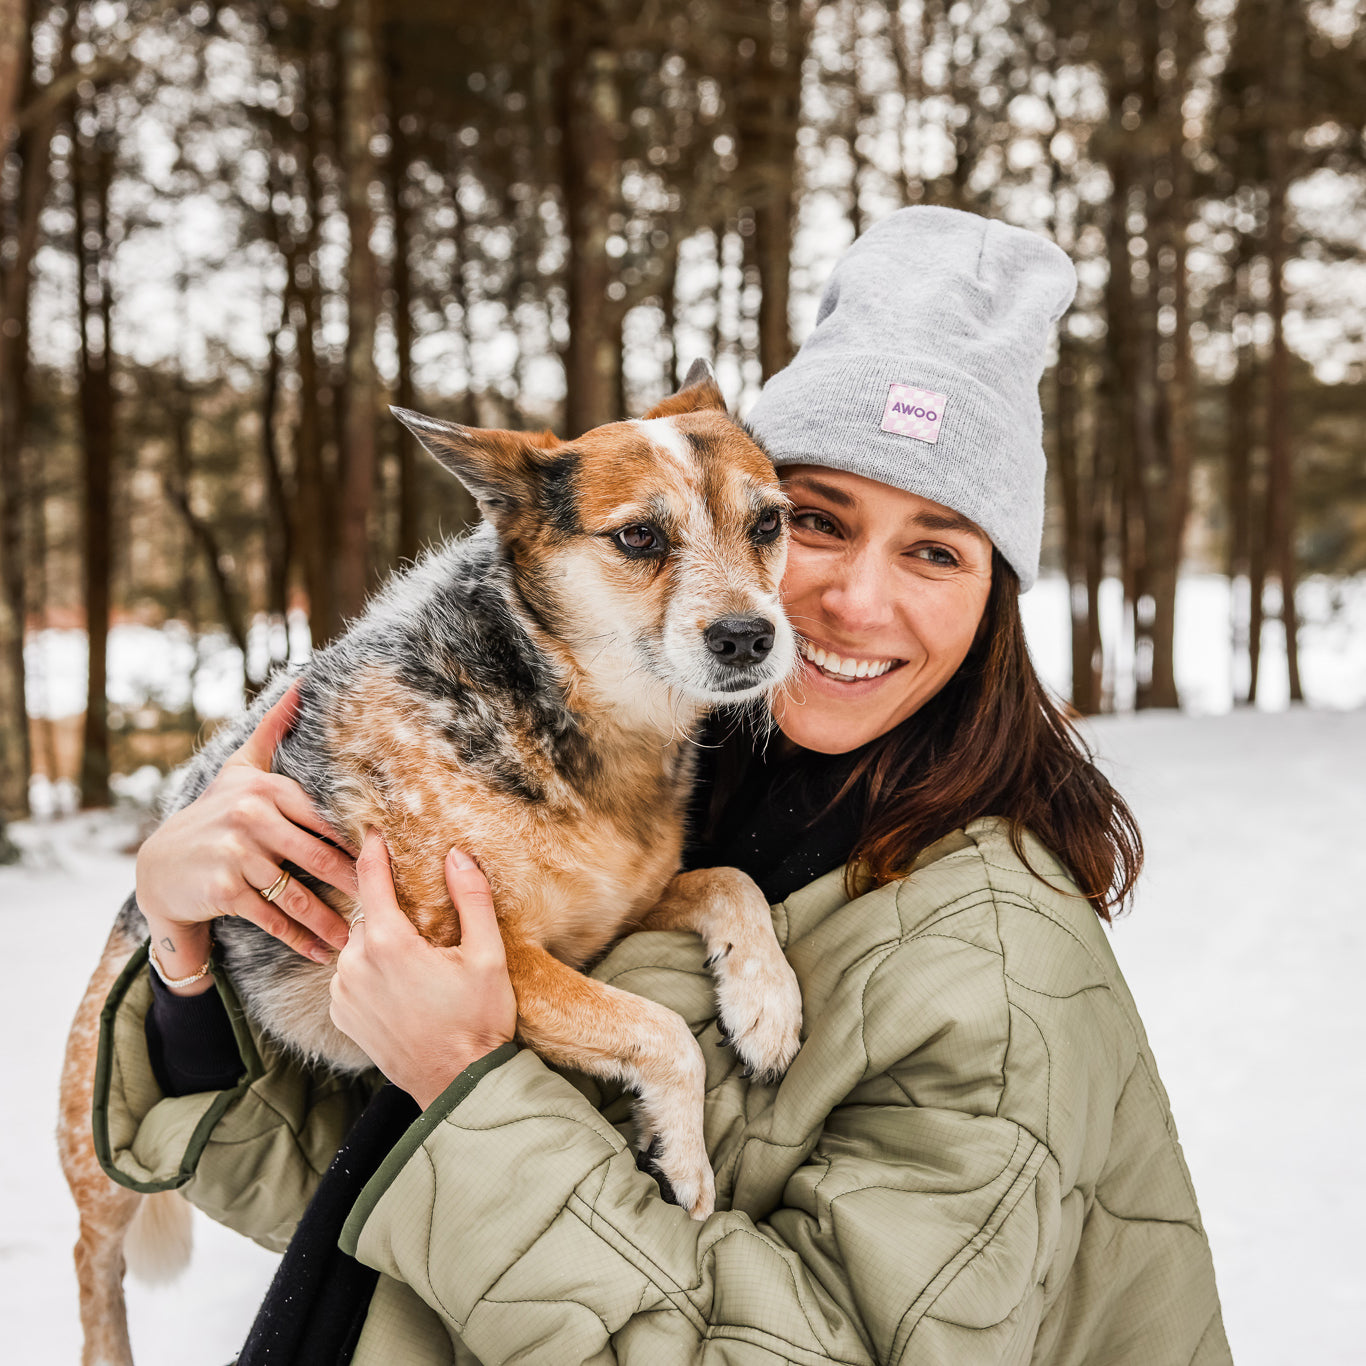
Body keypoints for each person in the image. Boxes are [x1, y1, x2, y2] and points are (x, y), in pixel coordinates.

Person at [96, 207, 1231, 1364]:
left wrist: (469, 1078)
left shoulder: (993, 966)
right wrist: (189, 953)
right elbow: (348, 1201)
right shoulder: (683, 788)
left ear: (996, 596)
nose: (845, 600)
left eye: (936, 549)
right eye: (819, 523)